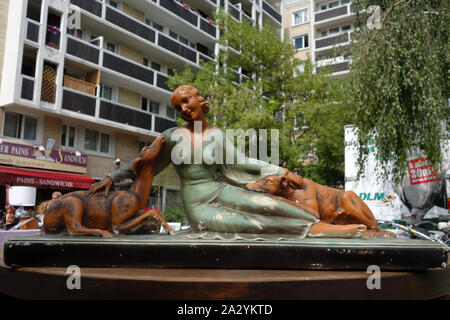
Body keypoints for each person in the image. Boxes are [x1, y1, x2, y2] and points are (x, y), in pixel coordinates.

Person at [89, 85, 368, 238]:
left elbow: (244, 162)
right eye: (178, 107)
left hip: (221, 190)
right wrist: (112, 178)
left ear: (201, 100)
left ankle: (320, 228)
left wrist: (281, 170)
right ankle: (326, 230)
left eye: (186, 101)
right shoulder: (171, 137)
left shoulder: (218, 136)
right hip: (197, 203)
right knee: (254, 224)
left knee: (272, 204)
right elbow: (141, 162)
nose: (184, 109)